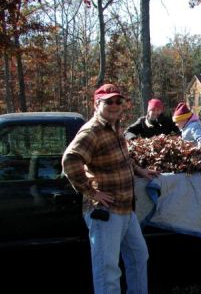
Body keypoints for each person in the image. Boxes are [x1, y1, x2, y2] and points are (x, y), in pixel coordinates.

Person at [62, 83, 158, 294]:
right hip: (106, 213)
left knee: (138, 256)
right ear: (96, 104)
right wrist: (91, 191)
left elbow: (121, 160)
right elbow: (70, 160)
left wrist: (140, 171)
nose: (114, 105)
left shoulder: (115, 128)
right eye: (108, 101)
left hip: (126, 209)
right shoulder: (92, 131)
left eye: (118, 101)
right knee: (108, 271)